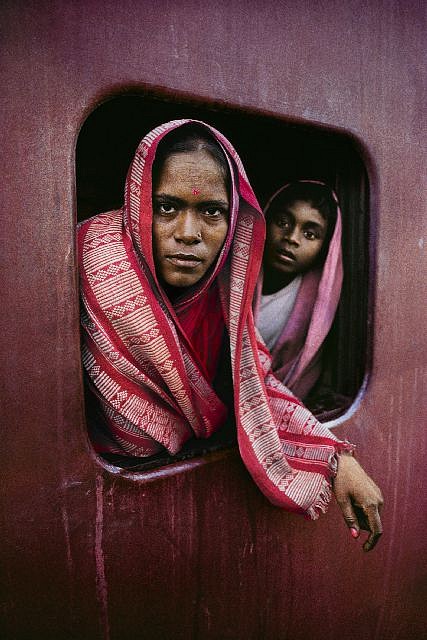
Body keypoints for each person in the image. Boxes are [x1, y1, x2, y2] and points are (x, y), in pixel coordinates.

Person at [78, 120, 383, 550]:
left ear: (234, 219)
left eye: (210, 212)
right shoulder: (90, 265)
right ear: (137, 202)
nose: (188, 234)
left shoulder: (224, 293)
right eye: (166, 207)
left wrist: (337, 460)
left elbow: (255, 383)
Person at [255, 180, 343, 402]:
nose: (292, 238)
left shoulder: (316, 305)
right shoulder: (233, 280)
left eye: (310, 234)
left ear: (326, 247)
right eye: (282, 222)